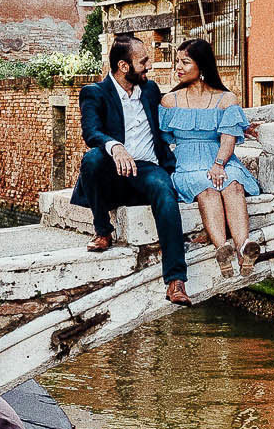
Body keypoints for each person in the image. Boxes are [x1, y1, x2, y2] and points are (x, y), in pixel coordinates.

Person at [70, 33, 190, 304]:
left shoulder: (150, 90)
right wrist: (115, 146)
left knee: (164, 189)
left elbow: (182, 107)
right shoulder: (95, 93)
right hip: (114, 170)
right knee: (91, 160)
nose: (149, 66)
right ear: (124, 67)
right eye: (143, 61)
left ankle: (175, 281)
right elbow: (91, 132)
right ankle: (103, 230)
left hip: (147, 168)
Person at [159, 37, 262, 280]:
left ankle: (244, 247)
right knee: (206, 189)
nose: (178, 68)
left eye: (185, 62)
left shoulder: (226, 99)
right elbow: (161, 138)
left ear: (202, 65)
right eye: (177, 62)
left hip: (221, 158)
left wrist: (219, 164)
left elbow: (228, 136)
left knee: (233, 183)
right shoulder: (169, 101)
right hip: (186, 161)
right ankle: (221, 249)